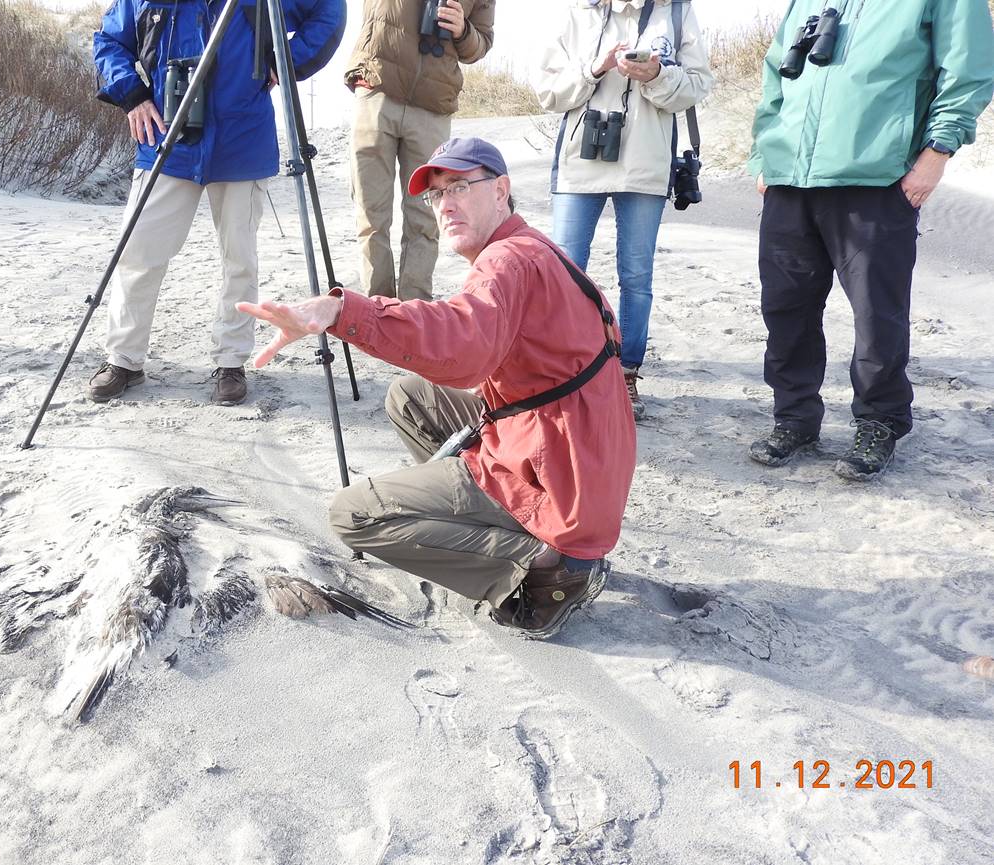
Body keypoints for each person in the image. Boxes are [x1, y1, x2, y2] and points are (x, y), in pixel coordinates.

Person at [239, 138, 636, 639]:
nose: (445, 204)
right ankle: (483, 526)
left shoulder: (507, 262)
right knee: (409, 396)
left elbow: (461, 345)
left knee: (352, 513)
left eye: (460, 187)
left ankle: (542, 569)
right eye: (436, 195)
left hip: (563, 486)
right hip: (585, 463)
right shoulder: (534, 247)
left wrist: (343, 312)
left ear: (501, 191)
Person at [748, 0, 994, 481]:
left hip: (877, 178)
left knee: (877, 313)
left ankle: (879, 421)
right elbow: (775, 73)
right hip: (790, 178)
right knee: (785, 308)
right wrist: (764, 152)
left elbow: (967, 72)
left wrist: (936, 154)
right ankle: (794, 417)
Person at [87, 0, 346, 406]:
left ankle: (231, 361)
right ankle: (124, 359)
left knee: (239, 259)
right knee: (137, 253)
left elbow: (329, 9)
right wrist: (132, 95)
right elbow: (108, 40)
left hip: (242, 141)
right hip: (166, 140)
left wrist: (288, 63)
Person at [534, 0, 712, 421]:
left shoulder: (677, 11)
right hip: (580, 163)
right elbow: (546, 90)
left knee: (636, 273)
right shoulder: (576, 12)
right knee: (564, 271)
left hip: (646, 164)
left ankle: (626, 372)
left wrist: (657, 75)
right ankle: (563, 368)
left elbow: (700, 83)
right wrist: (593, 69)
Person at [344, 0, 496, 301]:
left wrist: (463, 31)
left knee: (426, 219)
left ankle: (414, 319)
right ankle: (378, 313)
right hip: (378, 85)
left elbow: (481, 43)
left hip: (433, 103)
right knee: (370, 214)